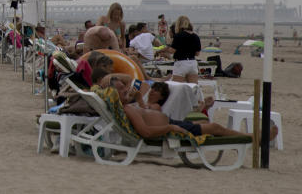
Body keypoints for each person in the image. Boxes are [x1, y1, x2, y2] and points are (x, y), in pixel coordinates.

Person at [109, 76, 273, 141]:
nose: (126, 89)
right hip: (170, 128)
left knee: (206, 123)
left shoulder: (127, 107)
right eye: (122, 89)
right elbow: (145, 132)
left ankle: (253, 136)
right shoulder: (129, 109)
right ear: (114, 94)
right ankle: (253, 138)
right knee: (215, 127)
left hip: (172, 123)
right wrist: (170, 127)